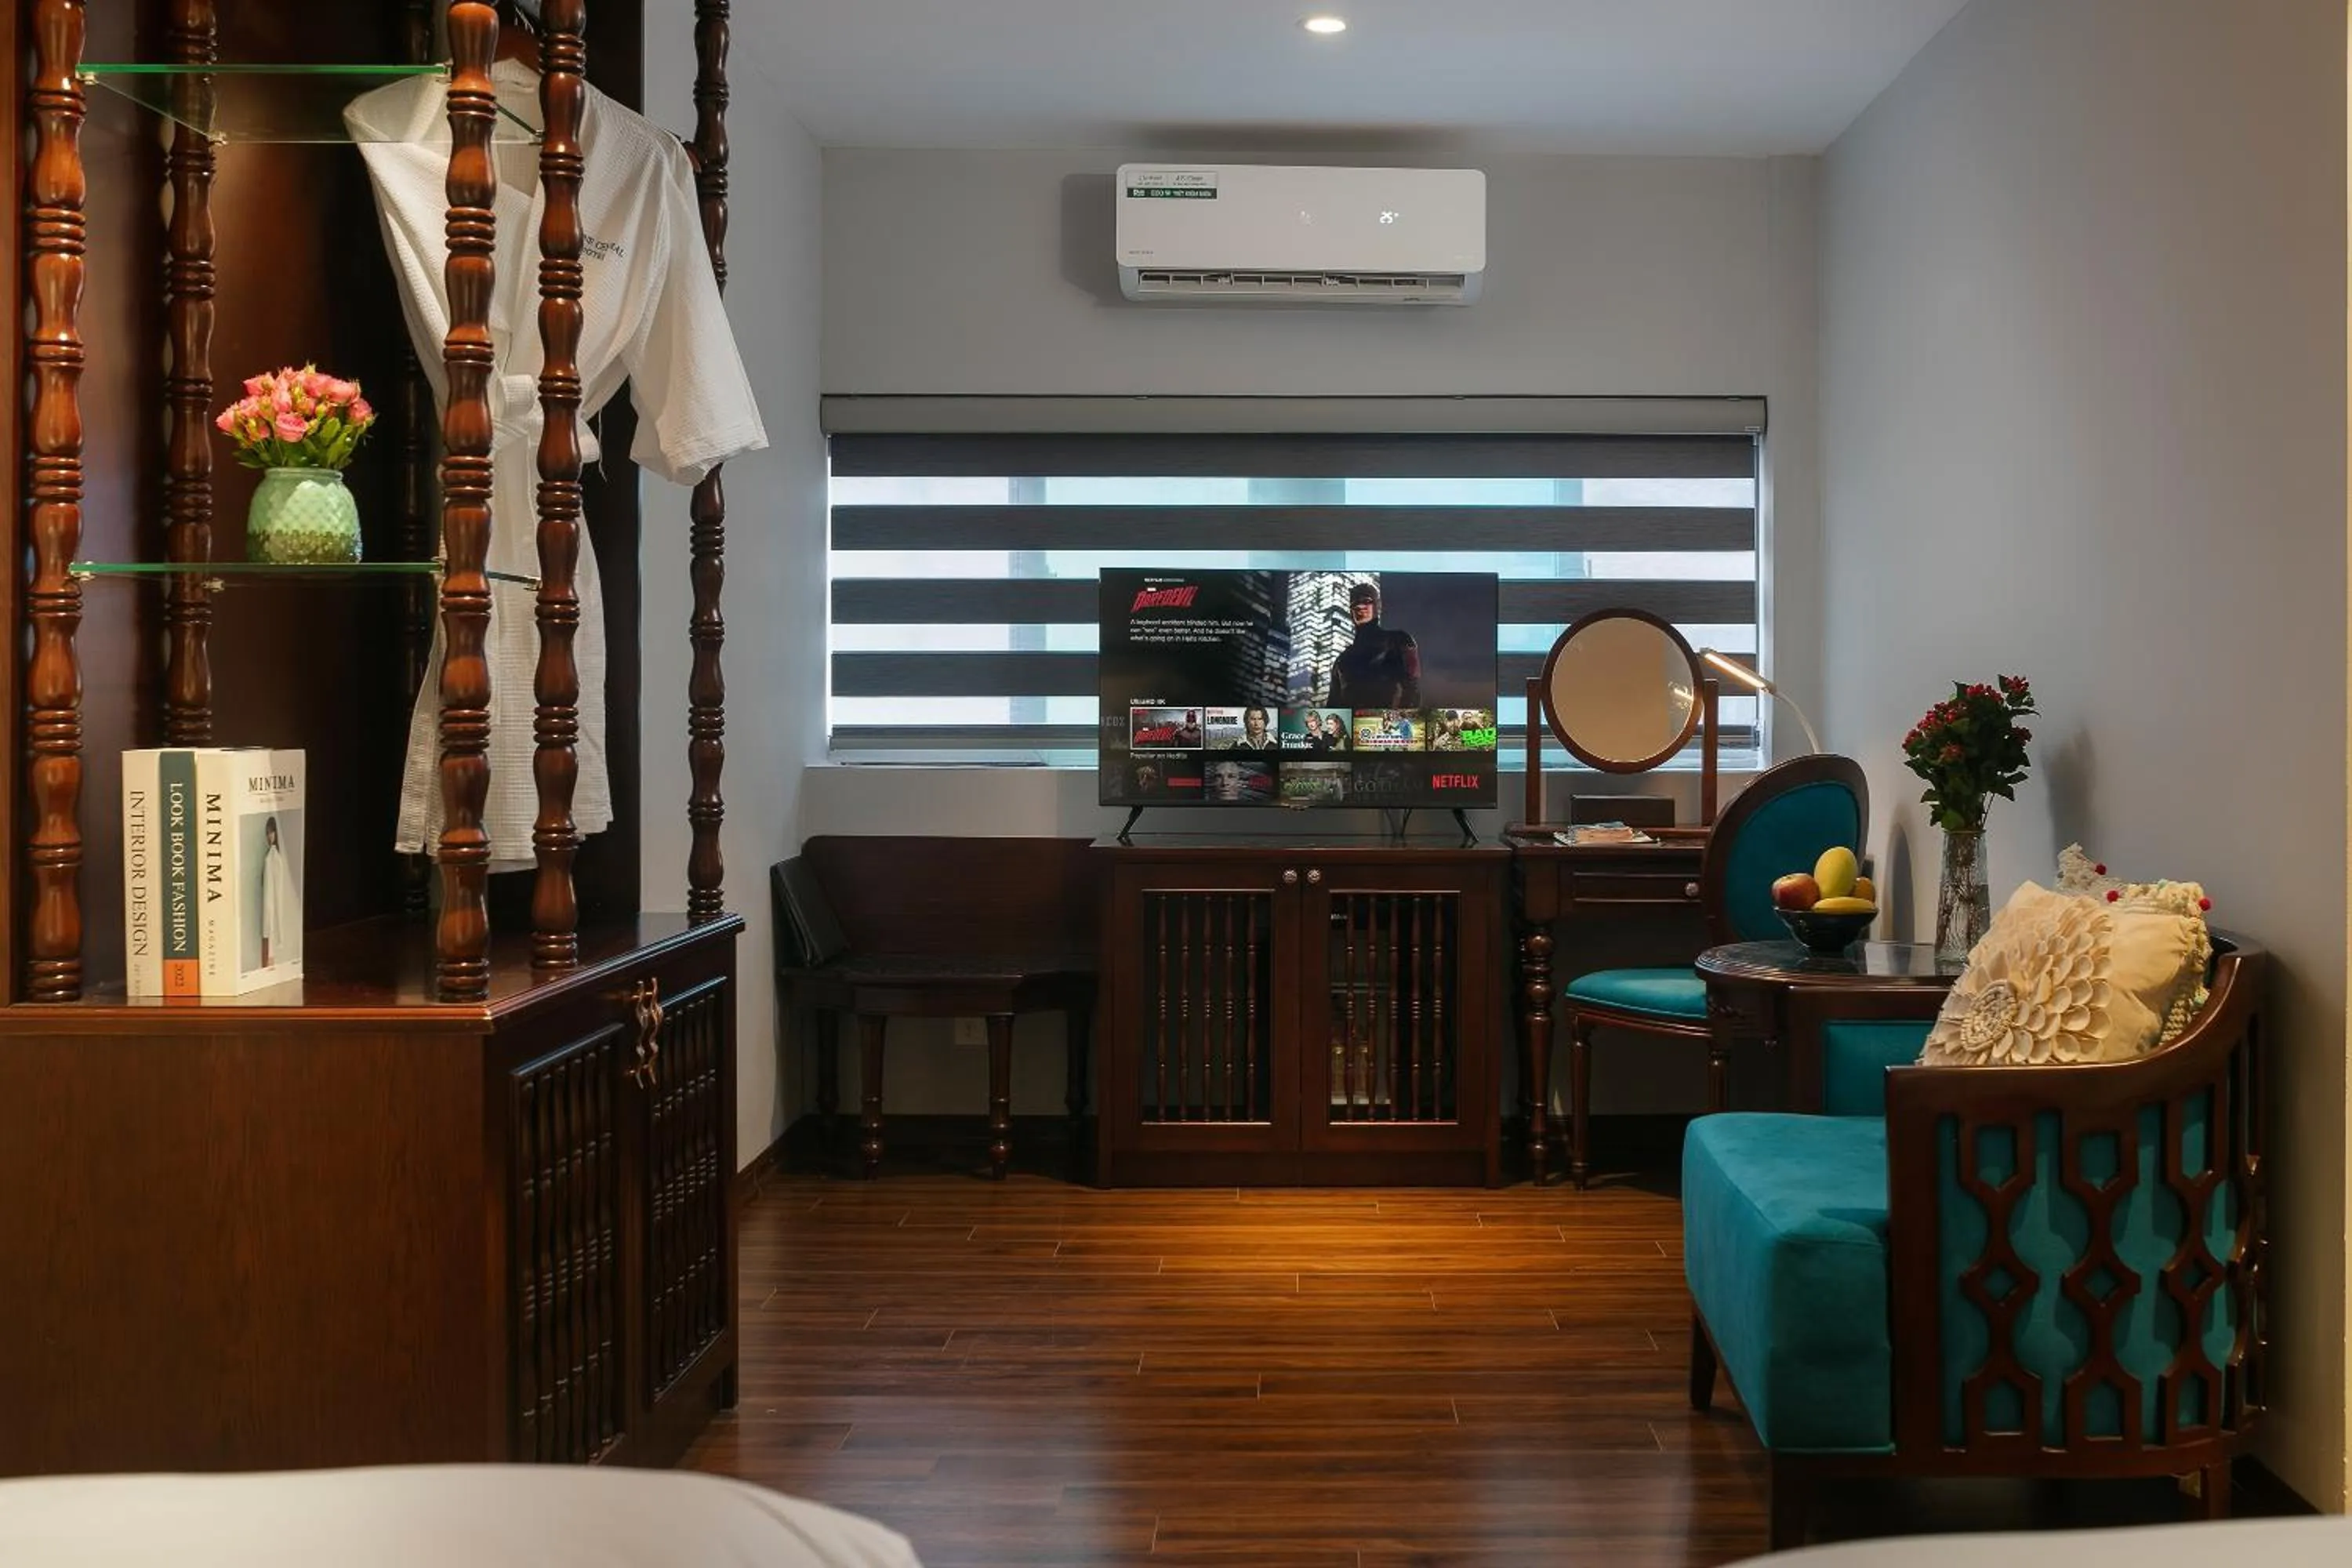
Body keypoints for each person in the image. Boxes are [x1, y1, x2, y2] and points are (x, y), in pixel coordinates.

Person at [1326, 580, 1421, 710]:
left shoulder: (1399, 641)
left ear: (1378, 605)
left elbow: (1413, 691)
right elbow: (1332, 707)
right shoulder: (1342, 661)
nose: (1360, 606)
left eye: (1366, 601)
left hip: (1389, 720)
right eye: (1354, 603)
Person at [258, 815, 299, 970]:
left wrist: (271, 907)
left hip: (271, 904)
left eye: (272, 832)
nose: (270, 836)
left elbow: (276, 887)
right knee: (266, 938)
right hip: (267, 902)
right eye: (268, 833)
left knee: (269, 937)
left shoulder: (275, 856)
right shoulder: (271, 853)